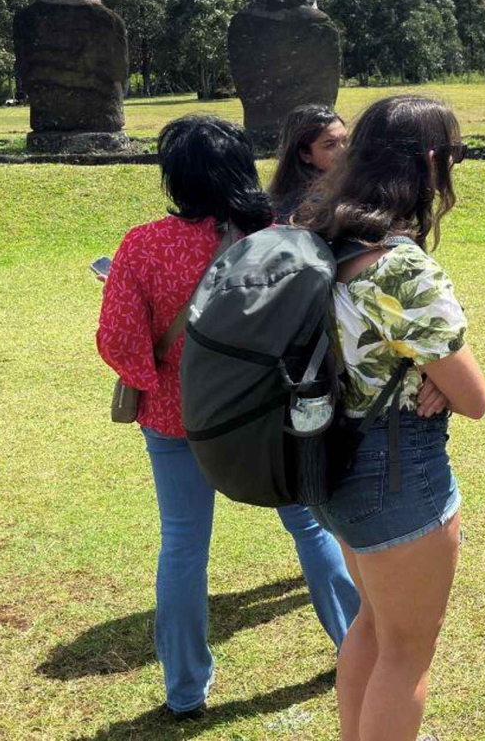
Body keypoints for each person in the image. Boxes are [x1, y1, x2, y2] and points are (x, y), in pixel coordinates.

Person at [96, 114, 360, 720]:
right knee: (310, 527)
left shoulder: (143, 245)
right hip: (270, 417)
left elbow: (118, 341)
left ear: (175, 177)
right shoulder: (284, 239)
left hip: (176, 420)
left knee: (182, 547)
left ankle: (185, 690)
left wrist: (158, 379)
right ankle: (354, 644)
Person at [298, 94, 485, 741]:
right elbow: (474, 396)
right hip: (398, 470)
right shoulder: (398, 264)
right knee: (407, 653)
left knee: (373, 627)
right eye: (453, 155)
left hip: (332, 459)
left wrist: (428, 373)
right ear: (431, 160)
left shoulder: (322, 234)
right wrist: (434, 377)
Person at [268, 103, 348, 220]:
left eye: (345, 141)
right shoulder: (311, 206)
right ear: (305, 155)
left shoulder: (347, 184)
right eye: (330, 145)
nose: (344, 150)